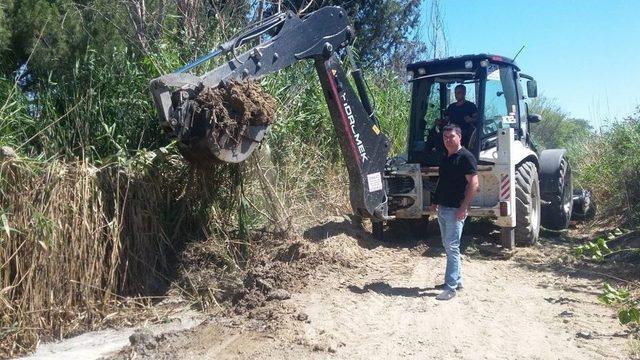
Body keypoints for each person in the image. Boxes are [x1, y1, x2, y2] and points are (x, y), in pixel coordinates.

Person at [431, 124, 479, 301]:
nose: (448, 140)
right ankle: (457, 280)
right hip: (443, 208)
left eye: (451, 136)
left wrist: (463, 208)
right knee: (448, 246)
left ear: (459, 137)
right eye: (445, 137)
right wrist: (435, 202)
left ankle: (450, 288)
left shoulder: (466, 157)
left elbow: (474, 184)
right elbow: (442, 182)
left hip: (455, 210)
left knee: (452, 247)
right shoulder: (446, 157)